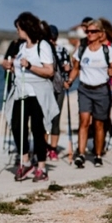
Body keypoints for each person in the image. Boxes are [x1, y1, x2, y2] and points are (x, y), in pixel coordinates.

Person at [3, 12, 59, 181]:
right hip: (21, 93)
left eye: (19, 28)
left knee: (38, 130)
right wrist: (10, 67)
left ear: (26, 28)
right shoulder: (21, 47)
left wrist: (30, 66)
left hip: (38, 94)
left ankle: (41, 166)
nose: (17, 31)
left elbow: (49, 71)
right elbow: (20, 70)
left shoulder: (43, 46)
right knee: (17, 126)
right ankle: (26, 162)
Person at [64, 19, 112, 168]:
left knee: (99, 124)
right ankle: (81, 155)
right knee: (84, 121)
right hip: (84, 89)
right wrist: (69, 81)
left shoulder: (107, 50)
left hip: (102, 90)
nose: (89, 34)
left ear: (101, 33)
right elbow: (75, 68)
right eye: (87, 31)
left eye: (93, 31)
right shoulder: (82, 49)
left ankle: (98, 155)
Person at [45, 25, 72, 160]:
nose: (52, 41)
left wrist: (67, 78)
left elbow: (69, 67)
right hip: (46, 87)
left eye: (53, 38)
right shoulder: (44, 50)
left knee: (56, 118)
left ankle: (53, 148)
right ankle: (44, 146)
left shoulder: (62, 50)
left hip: (59, 87)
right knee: (45, 118)